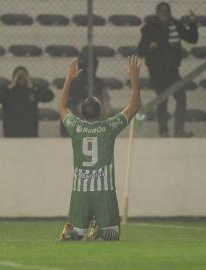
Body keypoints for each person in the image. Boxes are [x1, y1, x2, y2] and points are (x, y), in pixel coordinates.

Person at [58, 55, 142, 241]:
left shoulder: (76, 127)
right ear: (101, 111)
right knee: (113, 234)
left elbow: (62, 105)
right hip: (104, 190)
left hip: (80, 190)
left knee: (77, 234)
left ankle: (72, 230)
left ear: (81, 112)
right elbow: (135, 105)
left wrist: (69, 78)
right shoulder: (108, 128)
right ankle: (99, 231)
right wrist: (134, 78)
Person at [137, 2, 198, 137]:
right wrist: (150, 47)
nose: (164, 13)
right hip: (157, 70)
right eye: (161, 11)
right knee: (162, 100)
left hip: (172, 70)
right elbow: (140, 49)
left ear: (170, 12)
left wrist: (193, 23)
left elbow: (192, 39)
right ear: (157, 13)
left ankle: (178, 130)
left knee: (181, 97)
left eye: (167, 11)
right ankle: (163, 131)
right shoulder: (150, 28)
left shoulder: (175, 25)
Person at [0, 67, 54, 137]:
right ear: (14, 78)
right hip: (11, 130)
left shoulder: (33, 88)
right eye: (18, 77)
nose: (21, 79)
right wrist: (10, 87)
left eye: (24, 77)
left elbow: (49, 96)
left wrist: (33, 87)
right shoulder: (7, 88)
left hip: (30, 130)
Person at [59, 51, 111, 137]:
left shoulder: (99, 83)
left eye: (93, 66)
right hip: (75, 122)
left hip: (94, 123)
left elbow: (106, 105)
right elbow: (64, 104)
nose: (91, 69)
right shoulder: (74, 82)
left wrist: (104, 120)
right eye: (88, 66)